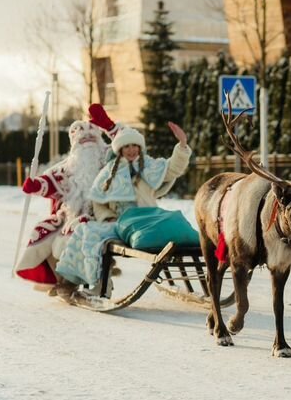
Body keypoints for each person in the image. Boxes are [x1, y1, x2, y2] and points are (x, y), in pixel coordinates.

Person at [55, 119, 192, 296]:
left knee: (93, 237)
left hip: (145, 222)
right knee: (85, 231)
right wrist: (107, 217)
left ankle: (98, 287)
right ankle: (72, 281)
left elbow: (174, 168)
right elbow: (99, 201)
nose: (131, 150)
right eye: (127, 146)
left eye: (135, 146)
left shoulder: (150, 166)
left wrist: (182, 144)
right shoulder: (109, 172)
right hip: (119, 223)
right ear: (120, 149)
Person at [15, 120, 110, 292]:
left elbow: (126, 147)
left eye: (91, 138)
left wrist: (109, 124)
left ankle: (80, 279)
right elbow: (50, 181)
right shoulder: (69, 167)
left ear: (99, 140)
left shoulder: (109, 162)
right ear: (75, 145)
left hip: (100, 217)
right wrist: (36, 185)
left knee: (67, 239)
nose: (87, 143)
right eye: (83, 140)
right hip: (69, 216)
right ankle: (57, 279)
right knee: (43, 231)